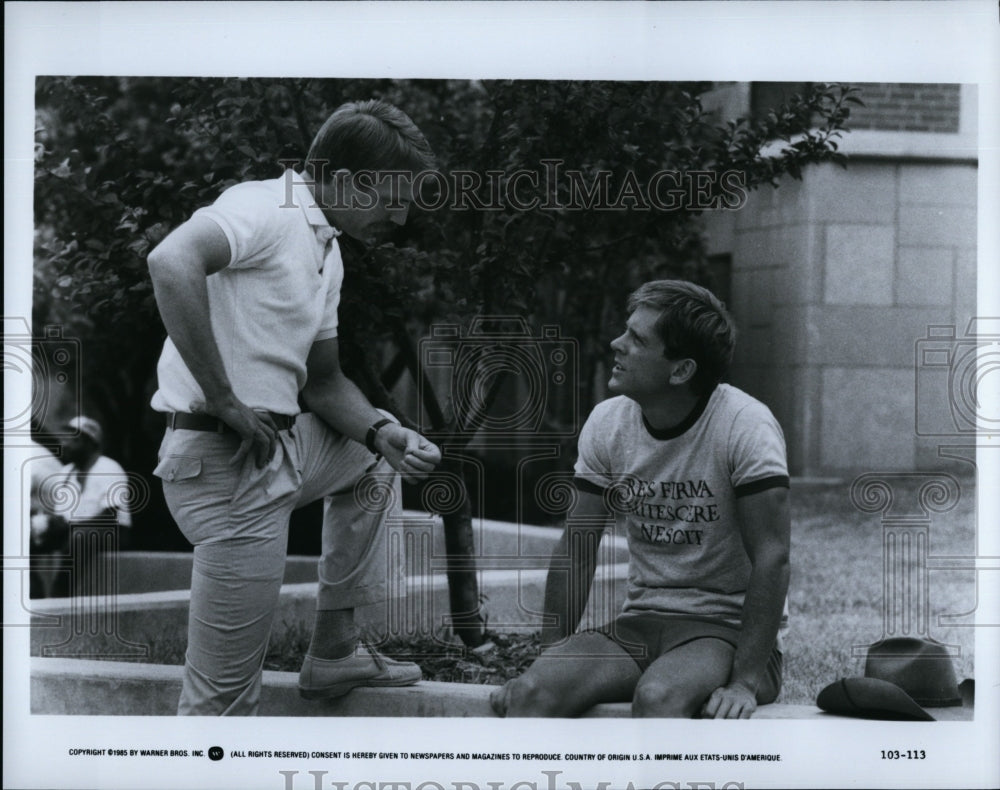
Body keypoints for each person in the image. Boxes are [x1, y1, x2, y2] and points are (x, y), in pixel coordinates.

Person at [147, 99, 442, 716]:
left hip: (279, 451)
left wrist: (385, 430)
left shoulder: (326, 247)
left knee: (373, 458)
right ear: (350, 180)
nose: (404, 214)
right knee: (221, 706)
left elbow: (326, 382)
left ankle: (335, 650)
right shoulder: (266, 208)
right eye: (395, 196)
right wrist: (224, 398)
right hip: (225, 464)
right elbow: (171, 261)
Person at [491, 280, 791, 719]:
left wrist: (744, 681)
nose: (617, 344)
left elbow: (773, 556)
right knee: (531, 693)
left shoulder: (745, 425)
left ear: (681, 370)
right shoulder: (609, 421)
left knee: (659, 699)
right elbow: (577, 548)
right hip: (640, 623)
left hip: (723, 631)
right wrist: (552, 659)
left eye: (636, 339)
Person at [30, 417, 133, 598]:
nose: (65, 444)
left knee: (80, 536)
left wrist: (70, 526)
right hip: (75, 531)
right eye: (64, 439)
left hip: (112, 531)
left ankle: (60, 595)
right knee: (23, 536)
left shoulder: (109, 467)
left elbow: (109, 515)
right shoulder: (66, 473)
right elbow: (62, 516)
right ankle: (31, 592)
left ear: (89, 442)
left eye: (73, 439)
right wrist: (48, 524)